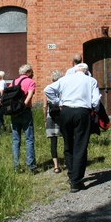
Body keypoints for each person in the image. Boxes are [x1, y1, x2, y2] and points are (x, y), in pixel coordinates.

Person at [44, 63, 100, 192]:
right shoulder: (91, 80)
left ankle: (71, 174)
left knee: (68, 143)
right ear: (86, 71)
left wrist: (58, 103)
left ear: (75, 71)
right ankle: (76, 180)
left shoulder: (65, 79)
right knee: (80, 144)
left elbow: (47, 90)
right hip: (82, 111)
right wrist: (94, 110)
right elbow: (96, 100)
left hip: (66, 111)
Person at [10, 64, 37, 172]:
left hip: (14, 114)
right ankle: (30, 166)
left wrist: (16, 110)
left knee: (15, 140)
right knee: (29, 139)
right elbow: (30, 95)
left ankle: (16, 166)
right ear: (28, 72)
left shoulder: (13, 82)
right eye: (32, 72)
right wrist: (23, 107)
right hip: (25, 112)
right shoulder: (30, 82)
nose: (33, 74)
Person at [43, 70, 64, 174]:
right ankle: (69, 162)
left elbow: (44, 105)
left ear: (52, 78)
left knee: (53, 142)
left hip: (50, 115)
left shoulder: (49, 88)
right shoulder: (63, 89)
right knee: (66, 139)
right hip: (62, 115)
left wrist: (44, 119)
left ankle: (56, 166)